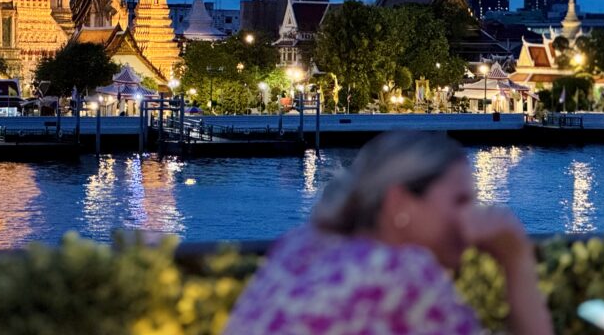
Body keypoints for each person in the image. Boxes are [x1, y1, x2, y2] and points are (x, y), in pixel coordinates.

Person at [223, 132, 553, 334]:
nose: (471, 217)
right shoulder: (402, 274)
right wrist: (517, 260)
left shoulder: (302, 246)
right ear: (399, 204)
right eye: (460, 201)